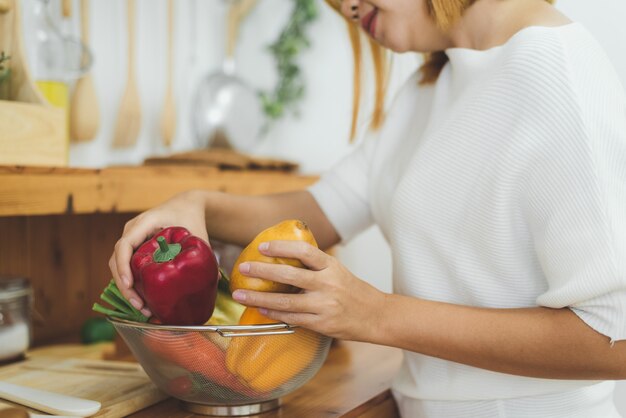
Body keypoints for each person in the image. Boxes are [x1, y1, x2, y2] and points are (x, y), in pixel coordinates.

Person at [110, 0, 626, 416]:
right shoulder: (429, 88)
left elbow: (615, 338)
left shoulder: (557, 74)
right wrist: (193, 203)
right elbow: (322, 207)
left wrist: (376, 315)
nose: (344, 9)